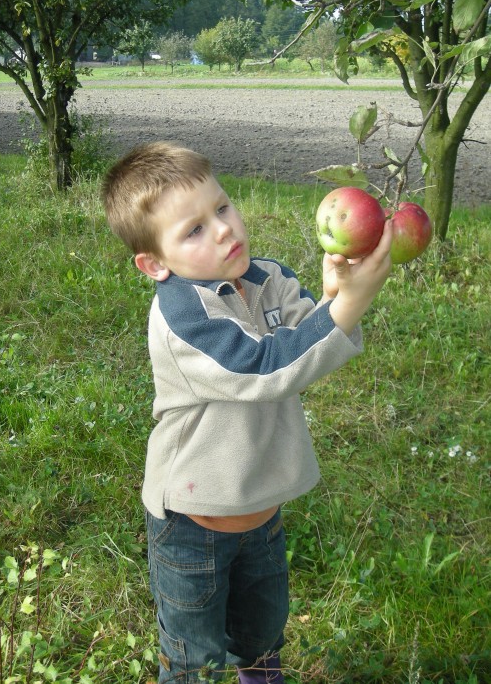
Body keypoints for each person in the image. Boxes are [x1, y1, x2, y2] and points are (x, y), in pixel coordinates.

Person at [102, 141, 393, 684]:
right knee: (194, 656)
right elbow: (265, 369)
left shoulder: (266, 277)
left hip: (260, 511)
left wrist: (335, 294)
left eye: (222, 207)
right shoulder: (183, 315)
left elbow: (309, 334)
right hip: (193, 523)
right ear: (153, 263)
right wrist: (351, 305)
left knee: (261, 636)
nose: (222, 229)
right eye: (192, 230)